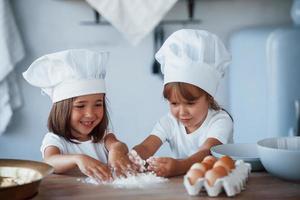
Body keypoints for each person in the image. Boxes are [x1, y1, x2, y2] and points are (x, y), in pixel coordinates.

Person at [131, 29, 233, 177]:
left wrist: (180, 165)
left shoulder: (220, 121)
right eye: (174, 103)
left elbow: (207, 151)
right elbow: (147, 146)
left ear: (209, 97)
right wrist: (132, 158)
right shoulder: (169, 122)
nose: (182, 111)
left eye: (190, 103)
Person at [23, 49, 135, 181]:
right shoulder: (56, 140)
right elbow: (49, 162)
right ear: (62, 110)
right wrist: (78, 159)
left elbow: (117, 145)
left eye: (98, 104)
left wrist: (116, 151)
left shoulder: (104, 137)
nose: (90, 113)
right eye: (80, 106)